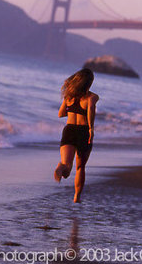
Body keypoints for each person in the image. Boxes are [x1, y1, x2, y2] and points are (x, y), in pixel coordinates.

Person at [54, 68, 99, 203]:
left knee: (66, 164)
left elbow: (61, 114)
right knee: (80, 167)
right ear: (89, 83)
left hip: (69, 130)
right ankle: (76, 197)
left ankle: (60, 167)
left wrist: (73, 110)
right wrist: (91, 128)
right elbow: (90, 109)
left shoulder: (69, 96)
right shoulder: (92, 97)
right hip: (84, 132)